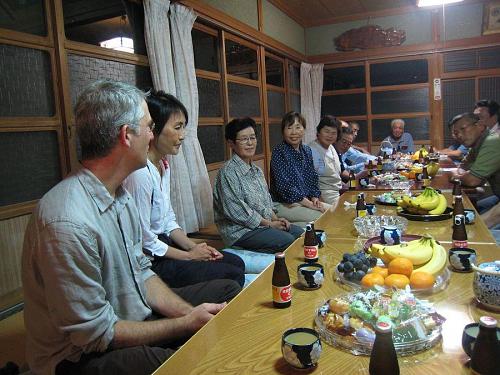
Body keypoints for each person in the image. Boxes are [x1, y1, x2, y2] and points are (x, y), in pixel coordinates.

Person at [22, 80, 237, 375]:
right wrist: (185, 324)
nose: (153, 134)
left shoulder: (119, 195)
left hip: (130, 315)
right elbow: (96, 334)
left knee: (225, 293)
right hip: (78, 357)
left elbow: (142, 272)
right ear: (126, 135)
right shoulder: (67, 222)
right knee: (189, 365)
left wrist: (191, 314)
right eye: (149, 126)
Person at [123, 91, 245, 288]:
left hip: (167, 246)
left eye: (184, 127)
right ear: (153, 130)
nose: (183, 135)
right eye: (177, 127)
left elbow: (168, 221)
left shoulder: (163, 164)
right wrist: (188, 256)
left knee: (235, 262)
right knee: (230, 275)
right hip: (152, 262)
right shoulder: (140, 174)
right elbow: (145, 240)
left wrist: (196, 247)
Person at [213, 118, 303, 253]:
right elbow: (239, 213)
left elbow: (267, 201)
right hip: (240, 231)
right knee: (287, 241)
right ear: (231, 143)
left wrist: (277, 220)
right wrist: (270, 224)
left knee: (300, 233)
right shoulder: (228, 172)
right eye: (244, 139)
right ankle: (239, 251)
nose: (250, 143)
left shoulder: (256, 170)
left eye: (253, 138)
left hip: (262, 225)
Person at [270, 111, 329, 227]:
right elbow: (285, 187)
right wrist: (309, 204)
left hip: (304, 201)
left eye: (298, 127)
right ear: (283, 131)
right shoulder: (279, 152)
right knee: (324, 218)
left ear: (304, 129)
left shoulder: (306, 150)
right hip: (285, 204)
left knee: (333, 212)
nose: (294, 132)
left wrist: (315, 197)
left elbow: (313, 177)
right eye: (289, 128)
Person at [449, 112, 500, 213]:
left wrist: (450, 175)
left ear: (480, 125)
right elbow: (462, 167)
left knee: (467, 219)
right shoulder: (476, 144)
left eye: (463, 129)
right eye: (455, 133)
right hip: (497, 197)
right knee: (467, 210)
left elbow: (473, 180)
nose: (459, 135)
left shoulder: (492, 141)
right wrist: (464, 175)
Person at [308, 115, 343, 206]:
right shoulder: (312, 150)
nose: (330, 136)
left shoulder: (331, 147)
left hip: (337, 193)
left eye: (333, 133)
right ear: (318, 132)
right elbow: (310, 181)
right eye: (326, 131)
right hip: (324, 196)